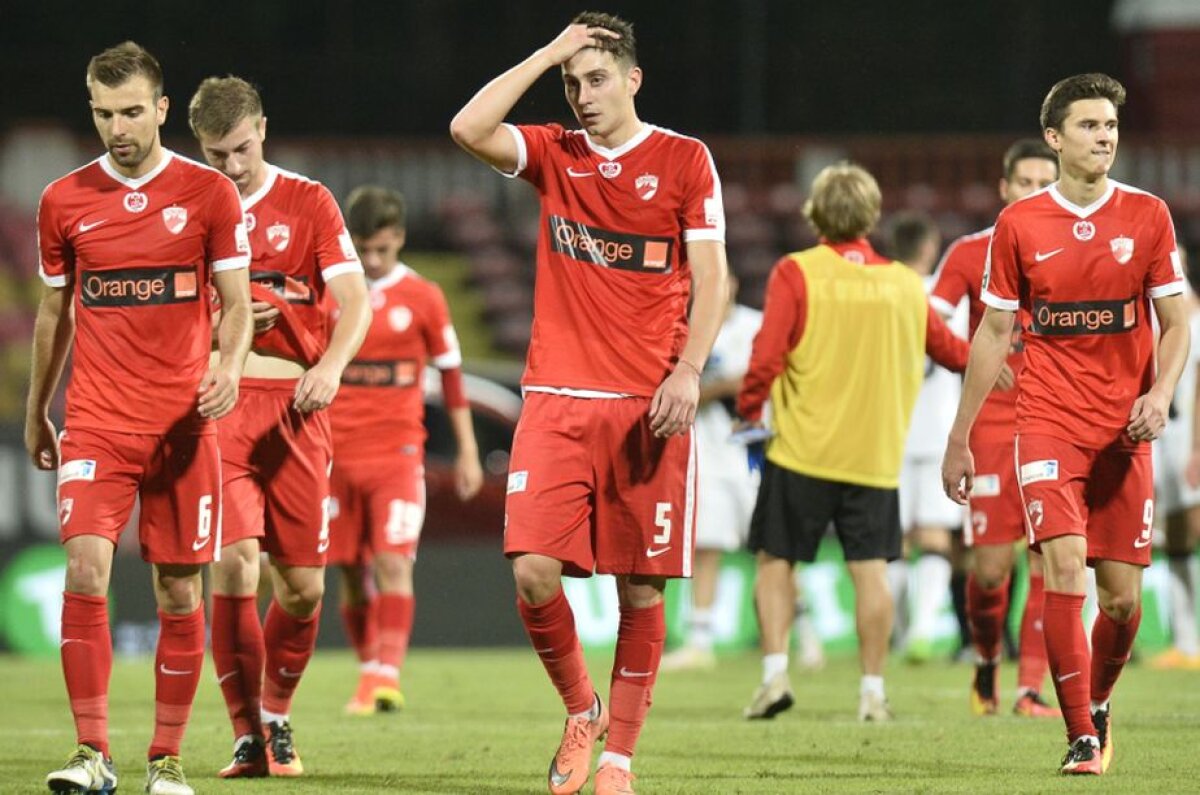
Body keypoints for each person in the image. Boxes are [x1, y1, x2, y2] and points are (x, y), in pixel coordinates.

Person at [450, 11, 728, 795]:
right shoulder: (555, 153)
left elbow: (714, 277)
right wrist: (548, 54)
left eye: (597, 78)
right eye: (573, 83)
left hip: (647, 405)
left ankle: (619, 761)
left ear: (633, 80)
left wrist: (689, 370)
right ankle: (583, 708)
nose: (582, 95)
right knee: (534, 572)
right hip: (556, 400)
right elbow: (468, 128)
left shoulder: (683, 159)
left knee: (639, 588)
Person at [942, 73, 1189, 775]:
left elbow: (1176, 323)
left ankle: (1099, 702)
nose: (1104, 137)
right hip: (1047, 423)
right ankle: (1080, 733)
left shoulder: (1147, 215)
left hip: (1126, 431)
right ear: (1054, 138)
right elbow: (993, 333)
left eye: (1110, 125)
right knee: (1063, 565)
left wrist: (1160, 393)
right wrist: (960, 436)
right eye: (1088, 125)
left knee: (1122, 601)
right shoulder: (1020, 225)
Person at [26, 42, 252, 795]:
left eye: (130, 112)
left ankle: (165, 759)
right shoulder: (63, 200)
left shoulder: (209, 193)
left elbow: (238, 305)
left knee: (179, 593)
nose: (116, 128)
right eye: (102, 113)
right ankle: (92, 752)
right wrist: (37, 411)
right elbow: (54, 313)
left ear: (160, 108)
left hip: (183, 427)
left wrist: (227, 366)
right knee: (84, 568)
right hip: (96, 421)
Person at [736, 163, 969, 723]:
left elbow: (766, 356)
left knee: (776, 561)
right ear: (871, 215)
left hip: (803, 449)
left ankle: (775, 676)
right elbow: (951, 352)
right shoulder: (903, 284)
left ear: (814, 213)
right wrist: (1004, 362)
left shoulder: (796, 272)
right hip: (875, 456)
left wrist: (749, 413)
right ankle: (871, 690)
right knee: (870, 570)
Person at [188, 76, 370, 778]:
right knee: (234, 563)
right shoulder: (188, 205)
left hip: (298, 408)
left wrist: (331, 367)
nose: (231, 166)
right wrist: (220, 321)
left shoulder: (309, 200)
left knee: (303, 589)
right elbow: (166, 316)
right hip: (221, 403)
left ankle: (275, 715)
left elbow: (354, 301)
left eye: (241, 148)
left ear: (262, 128)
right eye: (216, 154)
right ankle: (245, 734)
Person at [326, 185, 484, 714]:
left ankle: (386, 675)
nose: (372, 260)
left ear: (399, 238)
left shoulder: (424, 296)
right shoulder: (332, 294)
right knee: (350, 571)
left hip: (397, 453)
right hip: (334, 454)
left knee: (393, 562)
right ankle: (368, 669)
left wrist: (466, 450)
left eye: (382, 249)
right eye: (363, 249)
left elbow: (453, 377)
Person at [931, 138, 1062, 717]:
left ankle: (1030, 688)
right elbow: (928, 319)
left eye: (1045, 183)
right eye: (1026, 183)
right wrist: (969, 360)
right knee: (990, 571)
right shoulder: (969, 252)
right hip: (989, 425)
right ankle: (986, 658)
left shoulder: (1074, 246)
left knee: (1048, 558)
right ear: (1005, 188)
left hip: (1054, 419)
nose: (1035, 192)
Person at [887, 212, 963, 663]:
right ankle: (922, 631)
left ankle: (899, 635)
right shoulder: (948, 295)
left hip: (888, 431)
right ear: (930, 248)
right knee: (935, 535)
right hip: (940, 431)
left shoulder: (878, 290)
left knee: (893, 540)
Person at [1156, 247, 1200, 670]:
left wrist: (1198, 448)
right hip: (1160, 435)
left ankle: (1189, 641)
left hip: (1187, 438)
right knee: (1175, 535)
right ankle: (1185, 642)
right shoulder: (1153, 314)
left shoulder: (1193, 319)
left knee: (1190, 528)